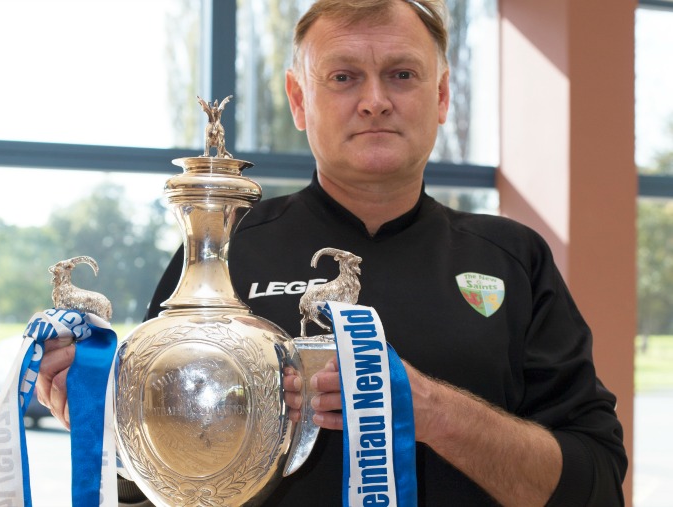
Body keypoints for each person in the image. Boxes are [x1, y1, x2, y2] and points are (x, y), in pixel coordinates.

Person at [37, 0, 628, 505]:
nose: (374, 101)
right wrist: (94, 417)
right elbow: (149, 487)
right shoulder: (224, 253)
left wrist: (432, 412)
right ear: (299, 100)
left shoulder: (511, 258)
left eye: (401, 74)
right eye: (343, 77)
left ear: (442, 95)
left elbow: (595, 483)